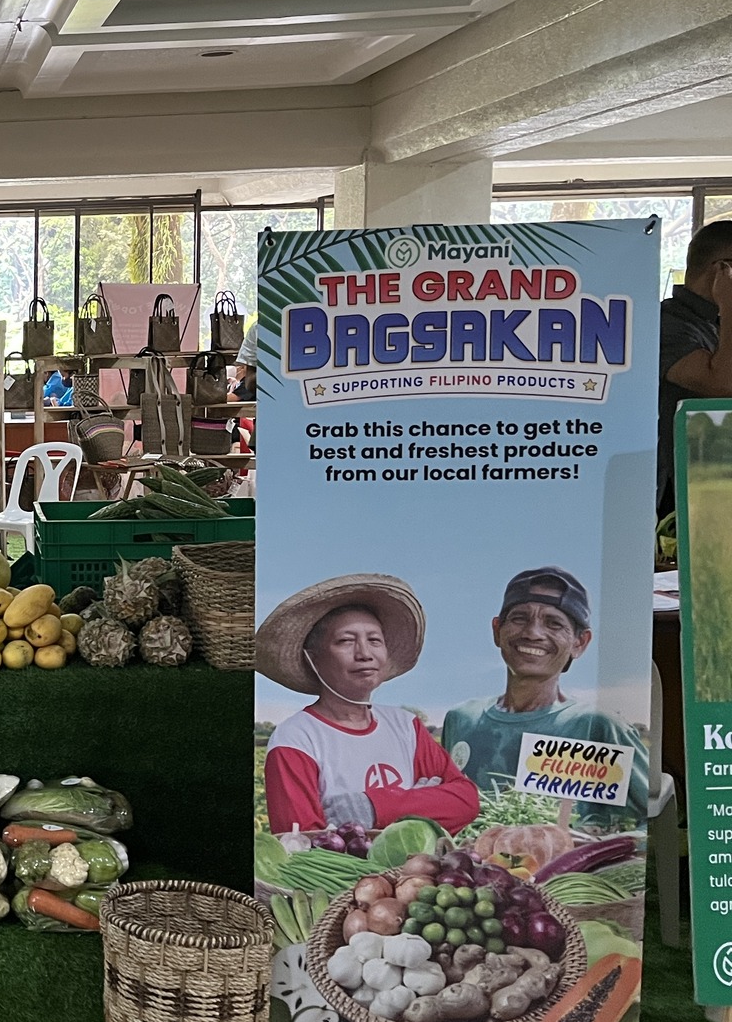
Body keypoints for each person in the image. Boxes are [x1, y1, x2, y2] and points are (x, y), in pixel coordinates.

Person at [257, 573, 479, 836]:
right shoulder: (296, 738)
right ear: (312, 658)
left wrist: (370, 809)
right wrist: (422, 802)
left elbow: (466, 800)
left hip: (415, 878)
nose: (364, 654)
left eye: (374, 640)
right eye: (346, 641)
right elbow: (300, 845)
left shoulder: (406, 726)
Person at [440, 567, 650, 829]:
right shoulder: (462, 720)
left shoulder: (594, 726)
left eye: (554, 623)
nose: (533, 633)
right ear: (497, 630)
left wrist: (601, 852)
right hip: (466, 867)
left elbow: (651, 819)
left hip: (569, 870)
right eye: (519, 618)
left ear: (579, 643)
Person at [660, 220, 732, 513]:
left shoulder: (715, 325)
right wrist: (729, 305)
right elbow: (723, 384)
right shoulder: (667, 324)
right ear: (721, 270)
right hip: (681, 496)